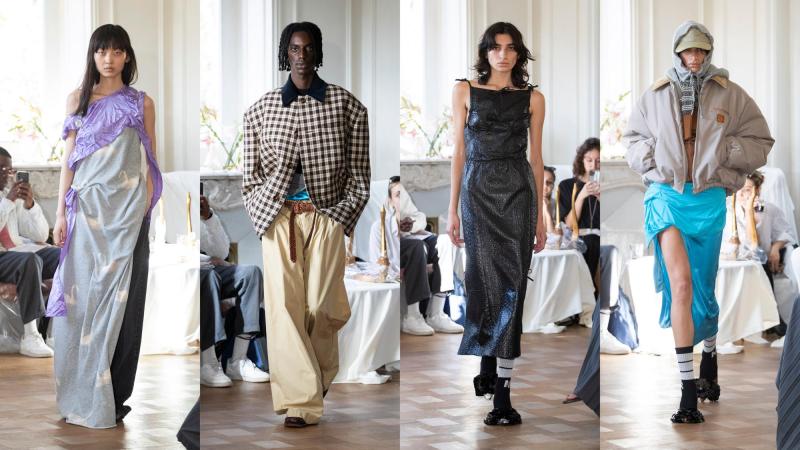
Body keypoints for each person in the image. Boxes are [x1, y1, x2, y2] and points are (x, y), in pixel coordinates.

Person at [624, 21, 773, 424]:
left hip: (707, 199)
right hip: (665, 196)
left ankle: (709, 354)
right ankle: (687, 392)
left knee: (704, 289)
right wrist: (653, 162)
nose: (694, 59)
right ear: (677, 53)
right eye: (688, 52)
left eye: (701, 52)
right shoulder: (655, 94)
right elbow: (632, 138)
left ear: (709, 53)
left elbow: (762, 141)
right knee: (682, 285)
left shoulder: (732, 94)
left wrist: (725, 150)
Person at [241, 21, 370, 428]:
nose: (301, 55)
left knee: (322, 306)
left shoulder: (347, 105)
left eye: (308, 48)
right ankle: (300, 401)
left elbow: (360, 176)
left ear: (317, 53)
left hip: (326, 216)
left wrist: (340, 218)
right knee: (283, 309)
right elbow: (250, 177)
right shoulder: (260, 110)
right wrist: (263, 212)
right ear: (285, 54)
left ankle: (316, 376)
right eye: (294, 49)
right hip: (278, 218)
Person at [45, 24, 162, 429]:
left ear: (127, 56)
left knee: (126, 309)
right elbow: (69, 162)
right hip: (85, 217)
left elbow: (149, 162)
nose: (108, 59)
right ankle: (78, 391)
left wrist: (144, 211)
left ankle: (114, 397)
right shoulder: (77, 100)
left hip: (128, 219)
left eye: (116, 51)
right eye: (101, 52)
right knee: (80, 306)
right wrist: (60, 213)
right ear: (92, 56)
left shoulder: (141, 102)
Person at [448, 22, 545, 426]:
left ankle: (502, 394)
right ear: (485, 52)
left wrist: (541, 215)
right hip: (476, 192)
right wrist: (452, 208)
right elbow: (458, 152)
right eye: (495, 48)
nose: (503, 54)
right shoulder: (464, 91)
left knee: (513, 287)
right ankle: (487, 356)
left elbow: (536, 158)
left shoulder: (533, 98)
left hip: (519, 194)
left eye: (510, 48)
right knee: (483, 280)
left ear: (519, 54)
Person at [371, 177, 462, 335]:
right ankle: (412, 317)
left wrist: (412, 225)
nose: (401, 198)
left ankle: (436, 314)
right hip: (407, 255)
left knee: (445, 242)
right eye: (397, 195)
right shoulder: (379, 227)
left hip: (415, 242)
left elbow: (419, 217)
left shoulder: (408, 216)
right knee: (417, 246)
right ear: (389, 200)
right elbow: (376, 263)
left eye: (402, 194)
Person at [199, 194, 269, 387]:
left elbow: (221, 252)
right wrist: (205, 261)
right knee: (209, 276)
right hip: (195, 270)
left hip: (213, 267)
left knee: (251, 273)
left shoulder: (201, 213)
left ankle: (238, 360)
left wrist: (209, 218)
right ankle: (209, 363)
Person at [0, 147, 60, 357]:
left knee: (64, 257)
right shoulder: (7, 199)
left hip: (15, 251)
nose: (6, 175)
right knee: (29, 260)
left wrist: (29, 205)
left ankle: (54, 331)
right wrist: (7, 202)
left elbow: (41, 234)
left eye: (8, 170)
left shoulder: (10, 196)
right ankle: (30, 336)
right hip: (4, 256)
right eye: (0, 169)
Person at [723, 171, 794, 337]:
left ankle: (773, 319)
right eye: (739, 188)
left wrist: (776, 248)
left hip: (760, 260)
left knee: (760, 265)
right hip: (733, 260)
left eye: (747, 189)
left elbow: (785, 233)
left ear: (758, 190)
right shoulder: (727, 210)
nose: (741, 193)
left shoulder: (768, 210)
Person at [558, 138, 601, 295]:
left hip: (599, 237)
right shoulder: (567, 186)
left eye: (598, 161)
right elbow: (569, 224)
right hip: (575, 236)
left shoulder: (606, 186)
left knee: (595, 242)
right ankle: (588, 298)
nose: (593, 165)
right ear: (581, 160)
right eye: (589, 160)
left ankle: (589, 300)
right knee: (589, 243)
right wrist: (581, 196)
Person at [542, 166, 557, 233]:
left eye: (549, 182)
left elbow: (552, 235)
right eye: (541, 181)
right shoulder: (526, 204)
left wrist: (548, 212)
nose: (545, 186)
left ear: (553, 186)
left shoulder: (555, 204)